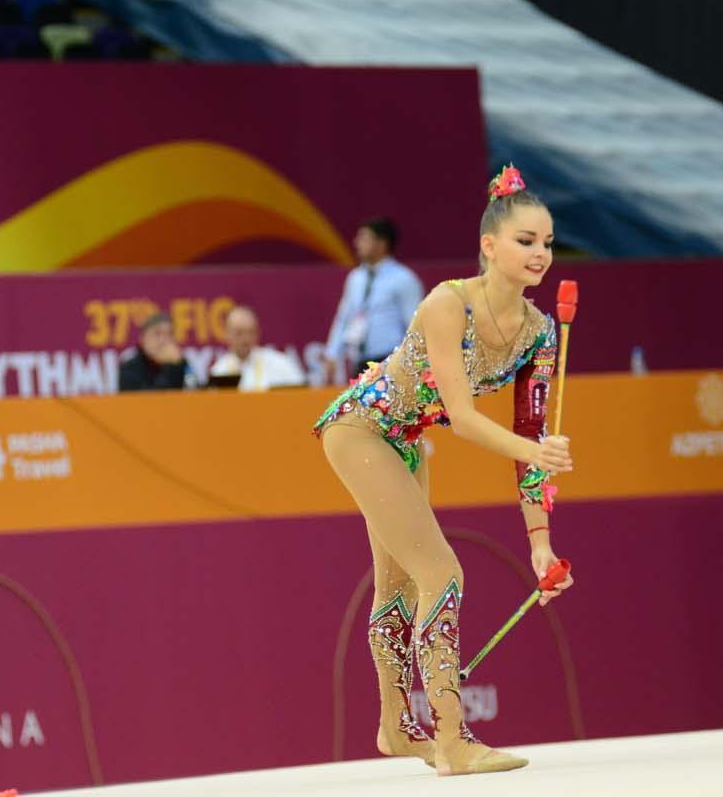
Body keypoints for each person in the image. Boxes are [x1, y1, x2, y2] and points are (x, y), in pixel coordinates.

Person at [311, 166, 575, 776]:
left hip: (403, 441)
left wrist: (541, 544)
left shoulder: (540, 334)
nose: (541, 254)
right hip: (360, 427)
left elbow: (531, 436)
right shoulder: (445, 304)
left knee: (401, 583)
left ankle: (395, 728)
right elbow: (460, 415)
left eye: (548, 242)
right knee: (442, 571)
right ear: (490, 246)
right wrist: (533, 452)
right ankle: (451, 739)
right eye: (526, 241)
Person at [324, 217, 424, 380]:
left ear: (381, 244)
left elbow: (414, 323)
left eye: (364, 238)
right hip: (360, 360)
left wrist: (414, 361)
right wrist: (332, 353)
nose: (357, 243)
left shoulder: (404, 279)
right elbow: (344, 317)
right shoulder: (355, 277)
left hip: (390, 360)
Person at [209, 305, 306, 391]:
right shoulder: (219, 371)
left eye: (250, 332)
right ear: (227, 334)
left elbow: (301, 394)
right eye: (239, 333)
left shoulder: (280, 364)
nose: (245, 339)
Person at [117, 312, 192, 391]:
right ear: (142, 338)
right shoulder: (129, 370)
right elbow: (153, 400)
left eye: (170, 334)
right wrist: (171, 367)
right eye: (157, 334)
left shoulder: (180, 363)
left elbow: (195, 392)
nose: (164, 340)